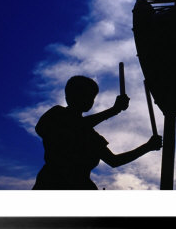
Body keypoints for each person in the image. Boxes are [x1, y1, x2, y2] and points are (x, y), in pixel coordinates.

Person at [32, 75, 162, 190]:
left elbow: (114, 161)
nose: (89, 100)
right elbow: (71, 125)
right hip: (53, 184)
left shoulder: (91, 135)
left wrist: (147, 147)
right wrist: (114, 110)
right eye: (83, 94)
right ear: (68, 96)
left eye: (91, 96)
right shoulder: (57, 114)